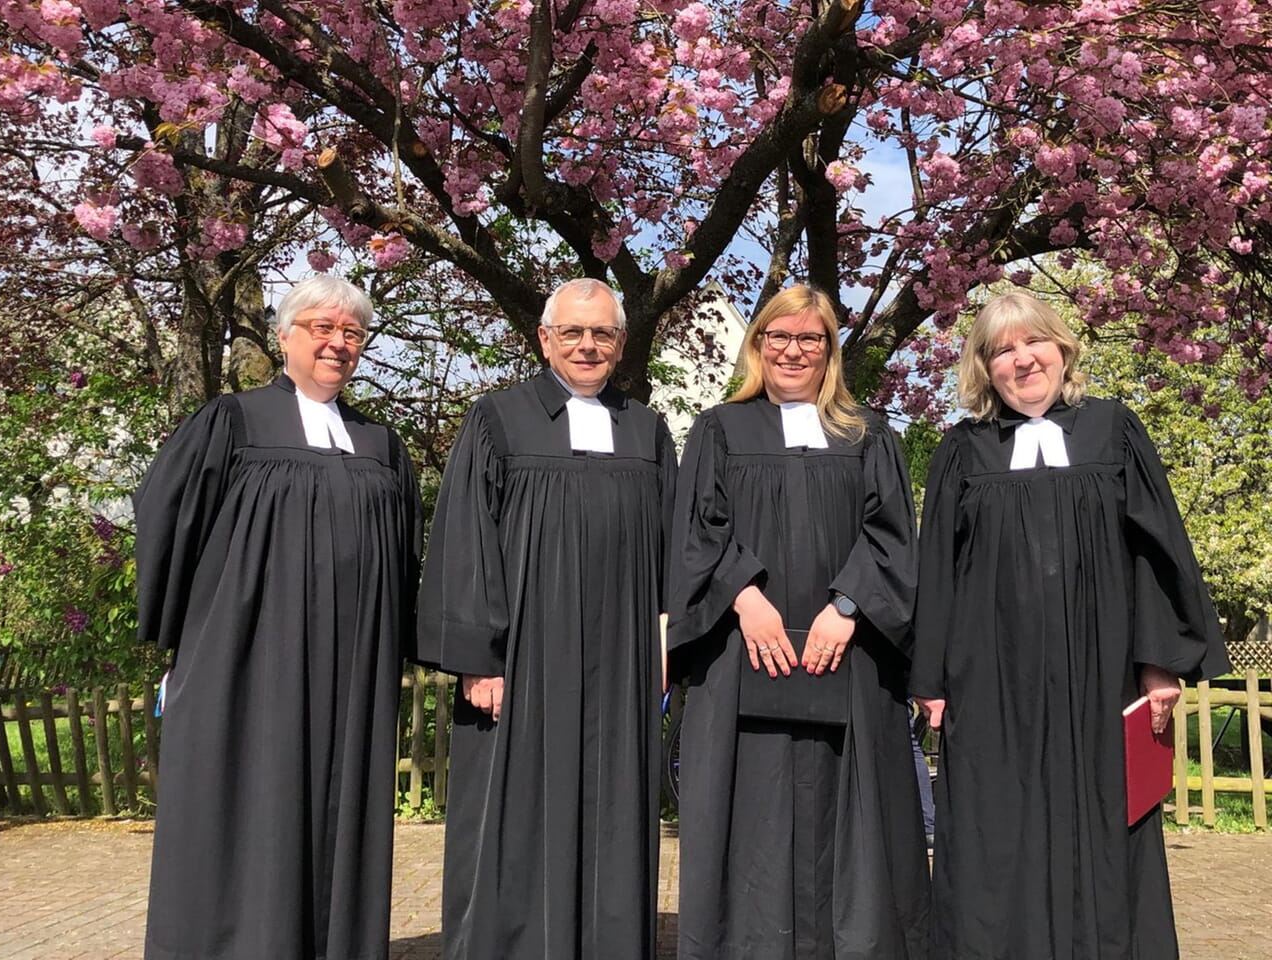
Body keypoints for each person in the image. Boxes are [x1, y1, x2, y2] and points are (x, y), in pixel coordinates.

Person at [910, 291, 1230, 959]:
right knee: (994, 829)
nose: (1022, 359)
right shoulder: (963, 451)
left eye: (1034, 343)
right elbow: (936, 566)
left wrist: (1158, 663)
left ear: (1063, 349)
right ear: (985, 367)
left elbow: (1156, 549)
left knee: (1107, 823)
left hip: (1102, 670)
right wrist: (930, 677)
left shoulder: (1114, 430)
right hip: (991, 677)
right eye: (1003, 349)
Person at [136, 276, 423, 960]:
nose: (338, 343)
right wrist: (193, 640)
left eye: (352, 333)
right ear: (285, 336)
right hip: (248, 657)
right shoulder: (232, 422)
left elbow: (406, 550)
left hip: (354, 669)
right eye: (322, 327)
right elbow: (168, 519)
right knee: (248, 804)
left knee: (337, 812)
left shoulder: (381, 445)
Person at [416, 278, 677, 960]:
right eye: (573, 332)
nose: (587, 345)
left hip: (622, 665)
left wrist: (664, 646)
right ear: (544, 339)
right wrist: (479, 657)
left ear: (620, 345)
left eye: (602, 334)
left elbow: (674, 551)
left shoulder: (647, 429)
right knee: (512, 815)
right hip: (521, 662)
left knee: (614, 811)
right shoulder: (498, 419)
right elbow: (466, 539)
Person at [669, 285, 930, 960]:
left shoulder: (867, 434)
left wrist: (847, 607)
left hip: (850, 658)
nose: (793, 350)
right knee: (749, 813)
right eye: (778, 336)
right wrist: (745, 598)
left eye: (809, 338)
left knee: (857, 828)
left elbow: (893, 538)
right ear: (759, 344)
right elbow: (697, 531)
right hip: (741, 657)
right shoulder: (720, 430)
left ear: (829, 350)